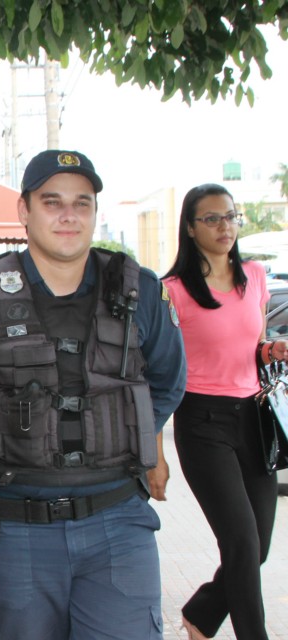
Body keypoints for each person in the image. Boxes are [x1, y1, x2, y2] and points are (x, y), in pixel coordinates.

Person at [0, 149, 186, 639]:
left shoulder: (140, 293)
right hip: (19, 527)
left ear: (93, 213)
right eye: (52, 202)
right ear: (24, 211)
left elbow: (170, 380)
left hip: (118, 522)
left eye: (82, 204)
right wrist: (14, 443)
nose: (69, 215)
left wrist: (127, 431)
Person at [162, 183, 285, 640]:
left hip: (253, 418)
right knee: (240, 541)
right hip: (201, 421)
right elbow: (157, 370)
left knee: (259, 548)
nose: (224, 226)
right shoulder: (172, 291)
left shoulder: (254, 276)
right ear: (191, 228)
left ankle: (202, 613)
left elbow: (250, 343)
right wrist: (154, 450)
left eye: (231, 216)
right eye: (211, 218)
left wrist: (269, 349)